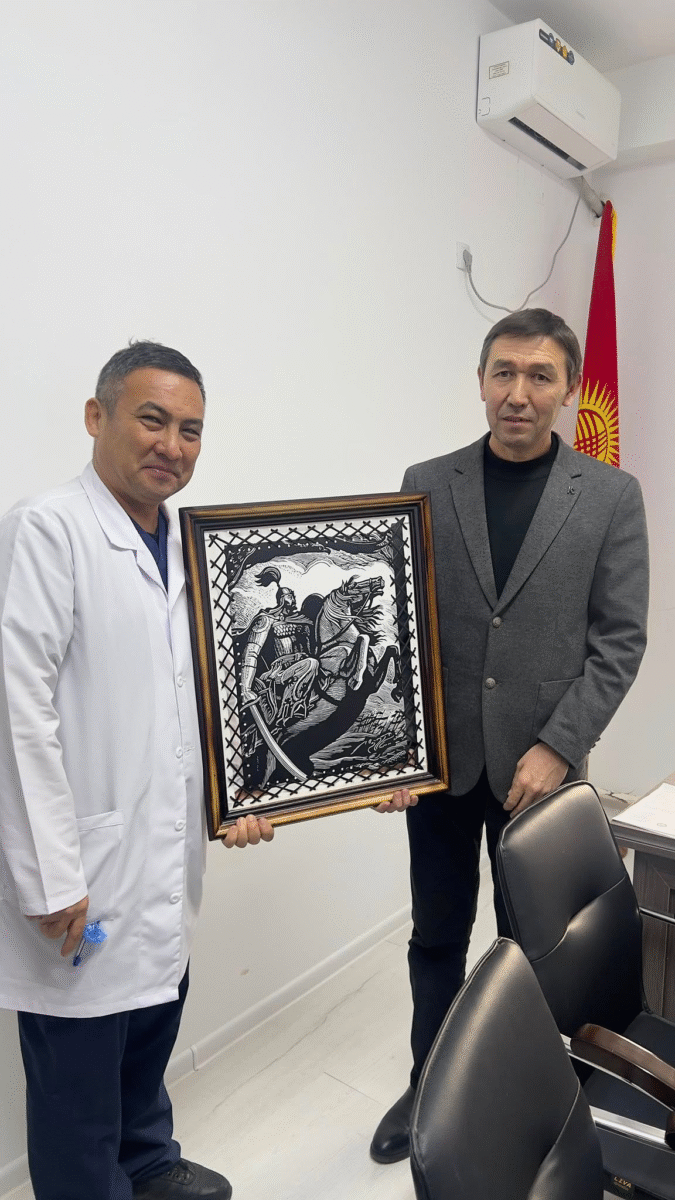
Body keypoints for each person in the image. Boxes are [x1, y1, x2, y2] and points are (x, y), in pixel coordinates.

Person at [370, 307, 649, 1163]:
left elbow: (618, 640)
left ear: (567, 389)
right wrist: (391, 744)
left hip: (543, 773)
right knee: (434, 938)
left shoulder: (609, 495)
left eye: (538, 376)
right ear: (481, 380)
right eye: (503, 372)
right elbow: (398, 629)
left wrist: (558, 745)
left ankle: (527, 1096)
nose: (517, 393)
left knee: (531, 946)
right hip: (441, 767)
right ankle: (429, 1090)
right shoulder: (425, 481)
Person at [0, 342, 274, 1200]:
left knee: (153, 1019)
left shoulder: (195, 548)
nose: (172, 445)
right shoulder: (48, 530)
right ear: (98, 416)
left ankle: (148, 1164)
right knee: (78, 1077)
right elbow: (17, 713)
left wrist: (236, 796)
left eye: (190, 430)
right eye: (152, 420)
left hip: (162, 848)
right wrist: (49, 875)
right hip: (79, 865)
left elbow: (213, 700)